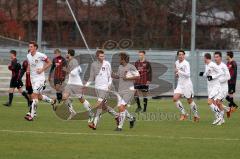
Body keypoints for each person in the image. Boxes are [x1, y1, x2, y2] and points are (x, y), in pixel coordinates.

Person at [85, 49, 119, 130]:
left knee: (99, 105)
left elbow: (110, 75)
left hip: (105, 88)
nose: (103, 57)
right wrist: (86, 85)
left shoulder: (107, 64)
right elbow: (91, 77)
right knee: (104, 107)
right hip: (97, 88)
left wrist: (109, 85)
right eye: (101, 56)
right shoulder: (93, 65)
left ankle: (94, 123)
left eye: (103, 56)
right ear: (97, 57)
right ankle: (117, 116)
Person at [24, 41, 56, 121]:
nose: (29, 48)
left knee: (34, 95)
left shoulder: (41, 55)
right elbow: (29, 64)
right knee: (39, 96)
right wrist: (27, 70)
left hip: (40, 79)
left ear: (35, 47)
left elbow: (50, 63)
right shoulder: (28, 56)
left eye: (31, 46)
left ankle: (31, 115)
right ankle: (52, 101)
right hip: (33, 79)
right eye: (29, 46)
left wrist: (42, 69)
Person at [61, 49, 94, 123]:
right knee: (64, 97)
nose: (66, 54)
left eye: (67, 53)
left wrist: (66, 70)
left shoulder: (74, 61)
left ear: (69, 54)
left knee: (81, 99)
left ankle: (91, 112)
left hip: (77, 84)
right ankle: (72, 112)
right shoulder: (70, 61)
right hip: (70, 83)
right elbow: (79, 70)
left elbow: (74, 73)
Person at [112, 52, 139, 131]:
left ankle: (119, 127)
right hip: (121, 90)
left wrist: (127, 78)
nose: (118, 60)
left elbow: (138, 76)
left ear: (123, 59)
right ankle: (131, 118)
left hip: (129, 90)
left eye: (120, 58)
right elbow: (118, 76)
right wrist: (111, 74)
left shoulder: (131, 67)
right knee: (120, 108)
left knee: (121, 107)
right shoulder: (120, 67)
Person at [173, 50, 200, 122]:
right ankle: (184, 114)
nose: (181, 56)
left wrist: (179, 71)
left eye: (182, 54)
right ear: (178, 56)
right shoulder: (176, 62)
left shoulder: (186, 63)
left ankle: (196, 115)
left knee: (189, 101)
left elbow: (188, 74)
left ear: (184, 56)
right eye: (179, 55)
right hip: (180, 84)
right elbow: (178, 73)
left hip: (187, 84)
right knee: (175, 98)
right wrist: (177, 74)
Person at [199, 53, 223, 125]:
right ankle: (219, 119)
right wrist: (202, 74)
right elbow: (207, 74)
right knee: (214, 103)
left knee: (209, 102)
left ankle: (219, 117)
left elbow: (221, 72)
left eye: (204, 58)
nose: (203, 59)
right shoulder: (207, 65)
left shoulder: (213, 65)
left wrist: (213, 77)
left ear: (206, 58)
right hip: (210, 87)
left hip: (215, 86)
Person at [214, 52, 231, 123]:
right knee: (215, 103)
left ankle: (221, 119)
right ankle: (227, 109)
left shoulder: (223, 66)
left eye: (217, 57)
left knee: (217, 102)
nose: (215, 58)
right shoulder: (214, 66)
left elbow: (228, 77)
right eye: (215, 57)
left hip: (223, 88)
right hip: (217, 88)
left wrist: (220, 80)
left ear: (220, 58)